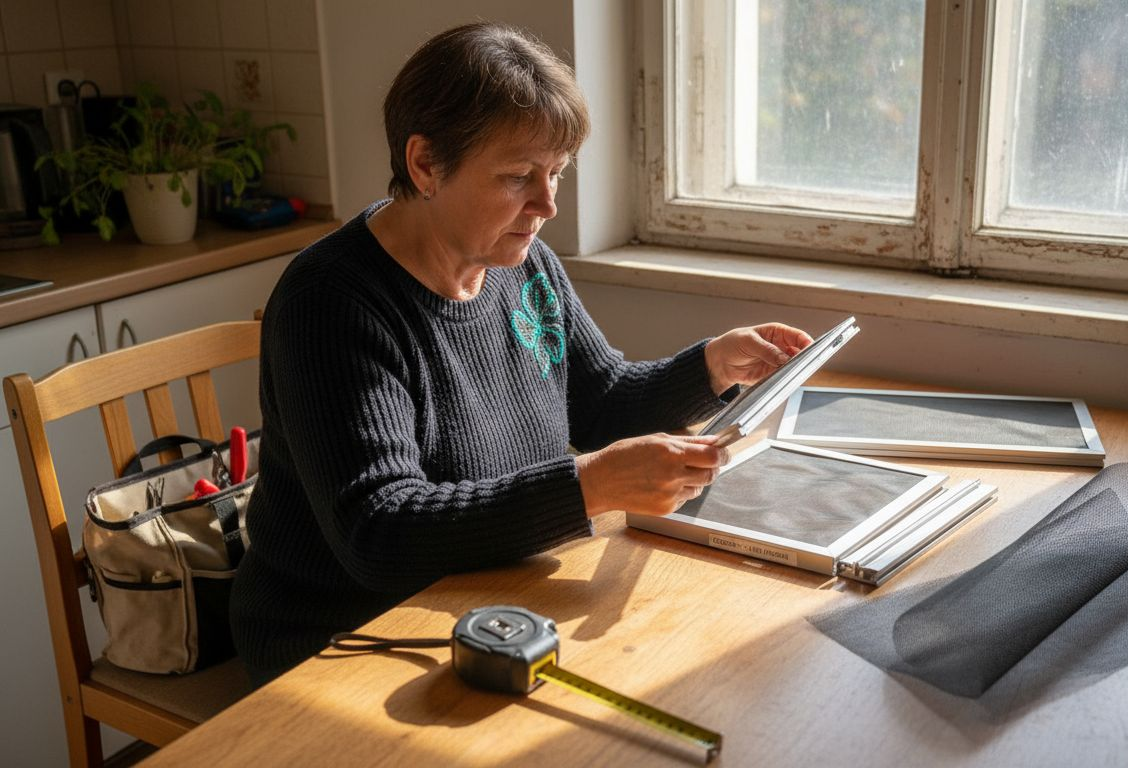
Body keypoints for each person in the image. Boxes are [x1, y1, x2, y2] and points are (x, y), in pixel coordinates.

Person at [229, 21, 813, 686]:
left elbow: (601, 401)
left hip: (488, 599)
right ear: (425, 165)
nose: (547, 204)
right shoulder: (331, 305)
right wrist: (589, 486)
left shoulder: (522, 263)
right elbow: (380, 533)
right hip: (345, 635)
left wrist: (711, 365)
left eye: (557, 172)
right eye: (517, 176)